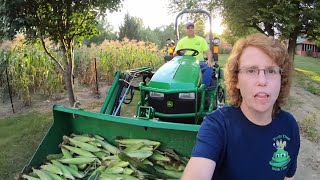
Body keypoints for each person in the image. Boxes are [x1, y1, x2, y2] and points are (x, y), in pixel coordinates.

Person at [181, 33, 300, 180]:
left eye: (271, 71)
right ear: (236, 80)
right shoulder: (217, 125)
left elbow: (288, 177)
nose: (262, 81)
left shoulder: (289, 125)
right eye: (251, 70)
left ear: (282, 79)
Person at [174, 22, 215, 88]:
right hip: (184, 62)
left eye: (192, 28)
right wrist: (181, 52)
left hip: (199, 62)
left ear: (194, 29)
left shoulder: (201, 40)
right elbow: (174, 55)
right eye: (188, 28)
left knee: (209, 67)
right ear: (186, 30)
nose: (190, 29)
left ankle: (204, 88)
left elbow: (208, 52)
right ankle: (177, 88)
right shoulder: (181, 41)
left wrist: (209, 60)